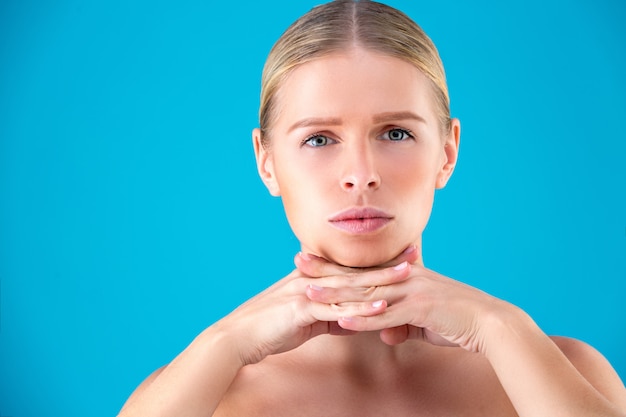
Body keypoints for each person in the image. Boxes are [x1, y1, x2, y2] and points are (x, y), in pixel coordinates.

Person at [118, 1, 626, 415]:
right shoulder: (201, 395)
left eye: (396, 133)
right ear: (267, 163)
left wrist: (502, 328)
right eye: (319, 138)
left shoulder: (567, 374)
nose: (360, 173)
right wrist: (226, 341)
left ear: (447, 153)